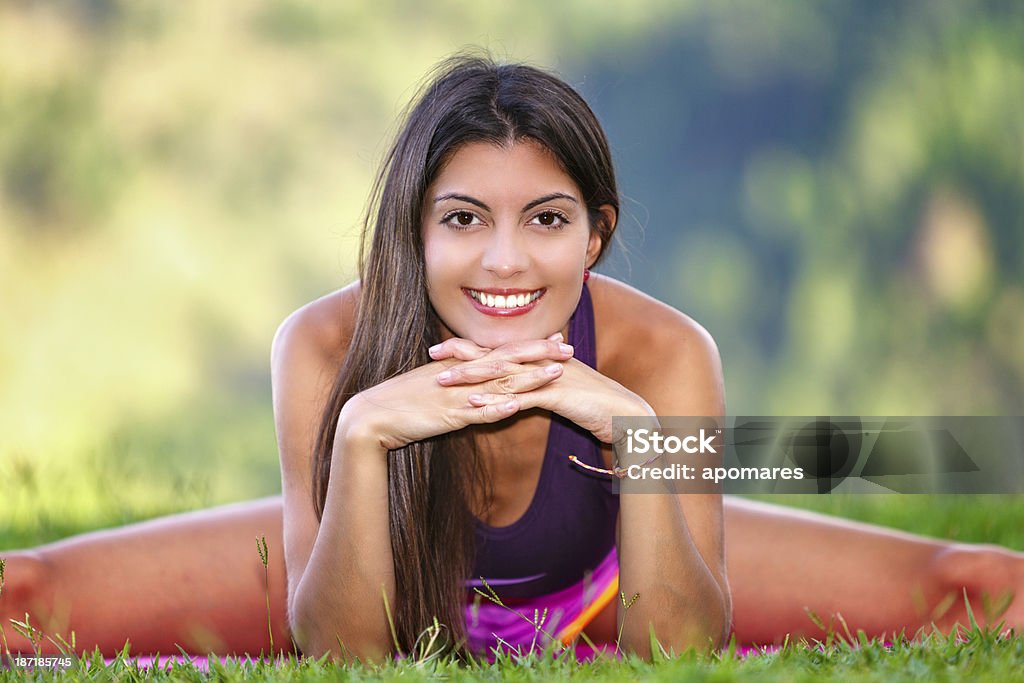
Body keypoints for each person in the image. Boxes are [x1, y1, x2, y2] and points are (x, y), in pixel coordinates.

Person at [1, 55, 1021, 662]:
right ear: (414, 233)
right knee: (24, 594)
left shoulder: (663, 352)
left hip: (604, 577)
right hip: (389, 573)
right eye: (461, 219)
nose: (502, 258)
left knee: (985, 581)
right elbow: (345, 653)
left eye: (544, 219)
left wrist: (635, 432)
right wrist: (361, 435)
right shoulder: (320, 346)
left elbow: (677, 650)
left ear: (594, 233)